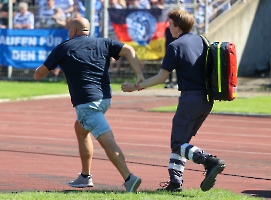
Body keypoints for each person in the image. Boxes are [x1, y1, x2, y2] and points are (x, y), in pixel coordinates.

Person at [33, 17, 144, 192]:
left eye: (69, 29)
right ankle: (85, 176)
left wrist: (36, 72)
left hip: (87, 103)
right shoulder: (103, 42)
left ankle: (129, 178)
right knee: (80, 129)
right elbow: (129, 50)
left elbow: (40, 73)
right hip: (105, 100)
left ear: (74, 31)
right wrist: (138, 75)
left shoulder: (64, 47)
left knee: (107, 140)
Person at [121, 9, 225, 192]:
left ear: (177, 27)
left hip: (190, 99)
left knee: (178, 143)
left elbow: (161, 77)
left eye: (170, 26)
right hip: (207, 99)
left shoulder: (175, 46)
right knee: (182, 141)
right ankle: (175, 184)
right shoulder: (201, 40)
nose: (169, 29)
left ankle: (210, 161)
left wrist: (136, 87)